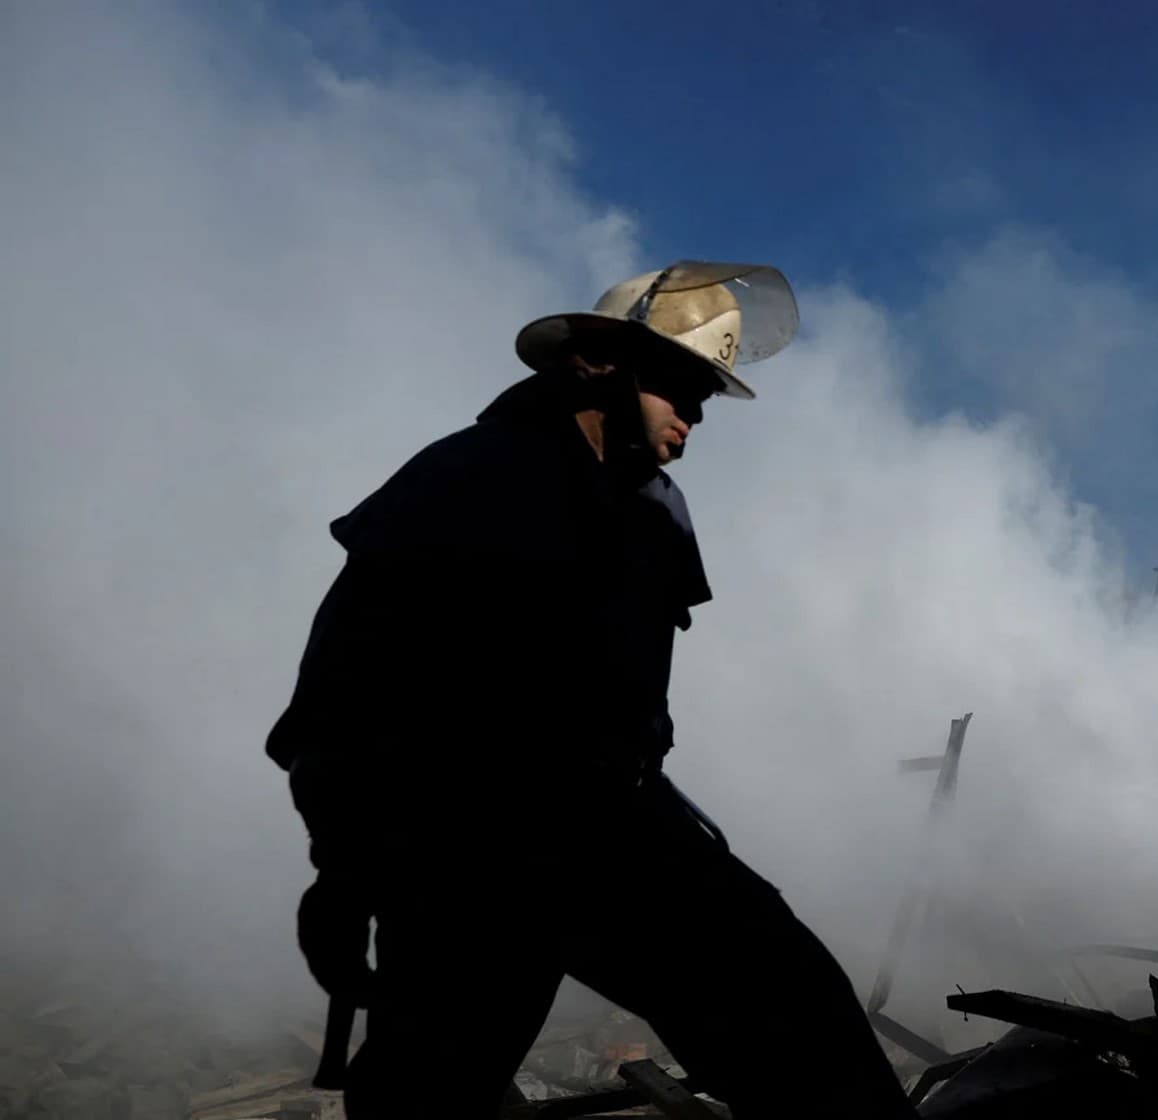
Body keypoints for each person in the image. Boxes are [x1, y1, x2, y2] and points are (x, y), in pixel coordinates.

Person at [266, 263, 917, 1118]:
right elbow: (345, 690)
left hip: (609, 830)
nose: (695, 414)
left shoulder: (653, 510)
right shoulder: (468, 477)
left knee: (799, 1018)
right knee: (426, 1091)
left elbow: (634, 704)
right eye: (681, 387)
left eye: (706, 397)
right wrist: (343, 872)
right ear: (598, 365)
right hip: (466, 846)